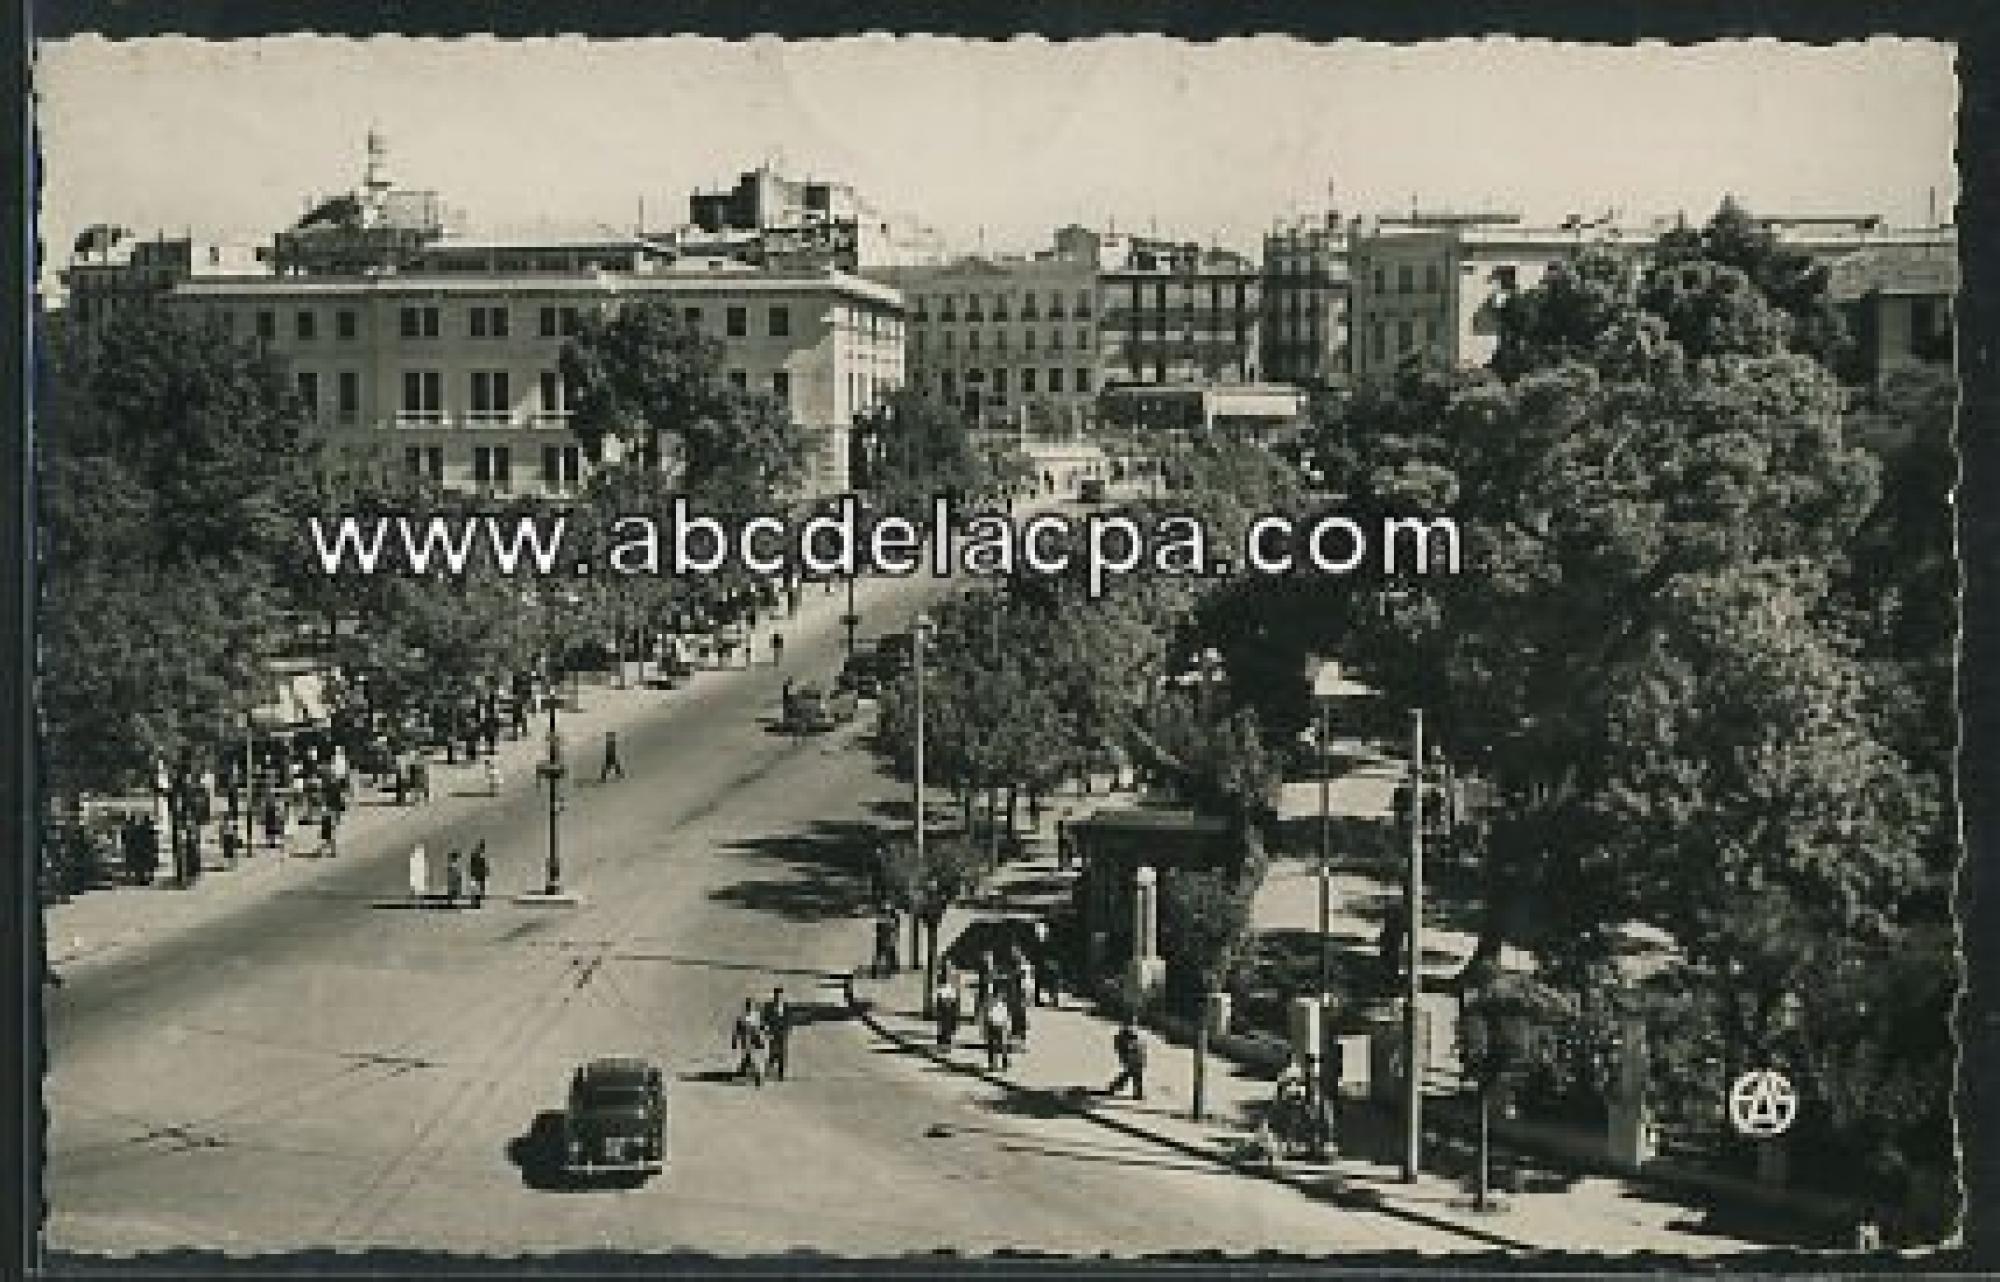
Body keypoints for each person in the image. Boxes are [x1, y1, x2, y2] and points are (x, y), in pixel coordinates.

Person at [1107, 1018, 1147, 1100]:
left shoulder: (1127, 1038)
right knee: (1133, 1074)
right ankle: (1135, 1092)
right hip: (1132, 1058)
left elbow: (1121, 1048)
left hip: (1134, 1057)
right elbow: (1121, 1048)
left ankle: (1117, 1087)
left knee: (1131, 1074)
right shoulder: (1124, 1038)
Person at [732, 998, 768, 1088]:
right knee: (750, 1059)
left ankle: (753, 1077)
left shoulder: (746, 1018)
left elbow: (738, 1031)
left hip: (750, 1042)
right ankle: (752, 1077)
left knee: (749, 1059)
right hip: (751, 1042)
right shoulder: (752, 1018)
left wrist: (735, 1041)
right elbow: (760, 1029)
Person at [762, 987, 792, 1082]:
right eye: (776, 995)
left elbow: (788, 1018)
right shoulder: (769, 1006)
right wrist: (766, 1028)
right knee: (771, 1051)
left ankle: (780, 1073)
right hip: (772, 1031)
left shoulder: (785, 1006)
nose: (778, 997)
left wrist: (787, 1029)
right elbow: (765, 1018)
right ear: (774, 996)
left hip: (782, 1032)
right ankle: (769, 1070)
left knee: (781, 1052)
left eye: (779, 995)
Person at [934, 967, 963, 1048]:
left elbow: (956, 997)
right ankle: (943, 1038)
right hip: (946, 1004)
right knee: (944, 1023)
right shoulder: (943, 985)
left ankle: (946, 1039)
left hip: (949, 1004)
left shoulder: (952, 985)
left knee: (947, 1023)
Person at [981, 998, 1012, 1072]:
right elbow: (1007, 1018)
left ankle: (994, 1064)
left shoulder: (995, 1007)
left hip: (996, 1026)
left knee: (993, 1046)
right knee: (999, 1046)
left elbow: (989, 1018)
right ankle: (1001, 1063)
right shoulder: (1000, 1007)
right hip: (998, 1027)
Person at [468, 841, 490, 908]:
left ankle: (477, 900)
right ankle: (476, 901)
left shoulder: (477, 856)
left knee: (478, 888)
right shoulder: (477, 856)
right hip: (477, 875)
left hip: (478, 875)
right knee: (477, 888)